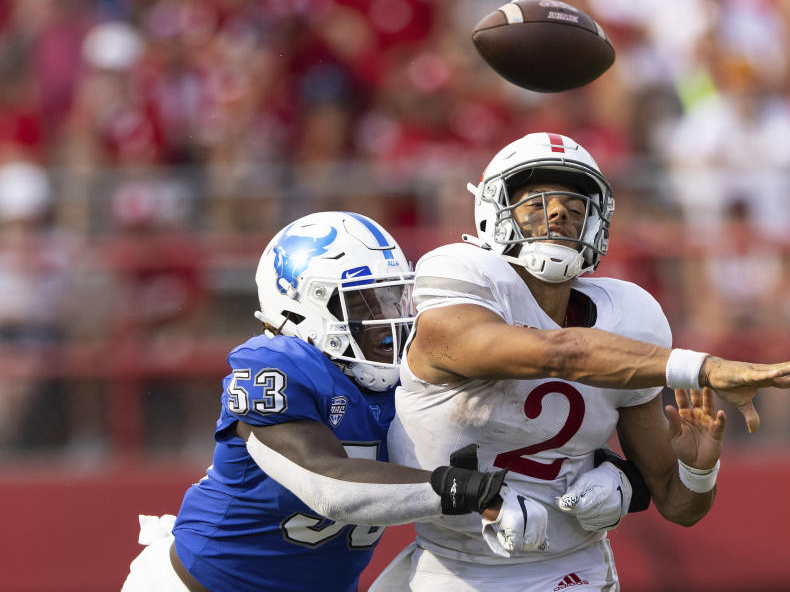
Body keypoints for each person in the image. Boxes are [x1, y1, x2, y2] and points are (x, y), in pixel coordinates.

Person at [376, 132, 790, 590]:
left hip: (572, 571)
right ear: (496, 212)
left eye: (574, 207)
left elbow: (679, 505)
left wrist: (699, 470)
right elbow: (561, 353)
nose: (559, 215)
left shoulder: (628, 315)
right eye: (536, 205)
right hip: (453, 569)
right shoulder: (457, 277)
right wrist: (702, 367)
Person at [121, 211, 636, 592]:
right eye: (365, 303)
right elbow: (329, 486)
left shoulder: (409, 378)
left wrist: (613, 475)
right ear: (300, 308)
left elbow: (515, 434)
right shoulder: (276, 364)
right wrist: (472, 492)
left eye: (394, 299)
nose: (389, 320)